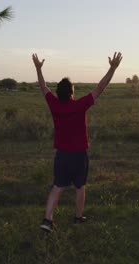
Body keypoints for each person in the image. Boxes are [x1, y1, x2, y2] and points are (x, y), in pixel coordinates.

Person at [32, 52, 123, 232]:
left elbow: (43, 87)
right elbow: (101, 87)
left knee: (57, 186)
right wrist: (112, 68)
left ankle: (47, 220)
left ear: (58, 93)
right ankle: (78, 218)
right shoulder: (79, 105)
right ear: (72, 93)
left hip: (61, 155)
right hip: (79, 155)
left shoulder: (54, 104)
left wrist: (38, 69)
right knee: (80, 187)